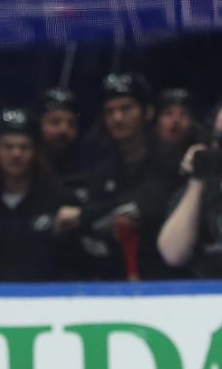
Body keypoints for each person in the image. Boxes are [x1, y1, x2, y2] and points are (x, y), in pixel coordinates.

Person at [62, 72, 178, 281]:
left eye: (126, 109)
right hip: (109, 279)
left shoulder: (168, 161)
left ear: (148, 112)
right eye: (110, 111)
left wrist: (82, 214)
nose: (117, 118)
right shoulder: (101, 168)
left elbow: (144, 206)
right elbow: (95, 230)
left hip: (165, 279)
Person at [0, 109, 81, 283]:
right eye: (8, 147)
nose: (16, 154)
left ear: (35, 152)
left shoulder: (60, 202)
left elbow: (74, 265)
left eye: (24, 147)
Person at [156, 99, 222, 278]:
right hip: (210, 293)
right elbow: (172, 254)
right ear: (214, 140)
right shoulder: (200, 190)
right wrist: (198, 180)